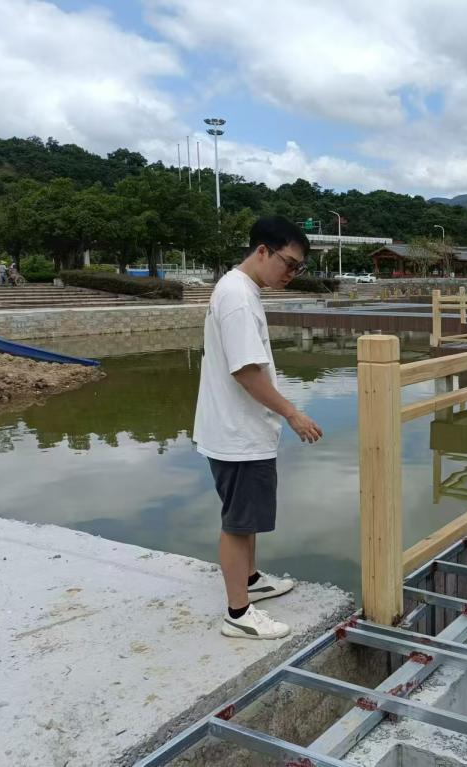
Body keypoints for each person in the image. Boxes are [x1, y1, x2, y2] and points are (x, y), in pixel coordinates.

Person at [193, 216, 323, 640]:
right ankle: (238, 613)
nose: (292, 274)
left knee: (247, 516)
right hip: (237, 434)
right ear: (262, 251)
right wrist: (292, 413)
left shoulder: (241, 289)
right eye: (289, 264)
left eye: (299, 268)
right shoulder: (237, 296)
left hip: (240, 430)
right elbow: (246, 371)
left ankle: (250, 580)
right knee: (238, 522)